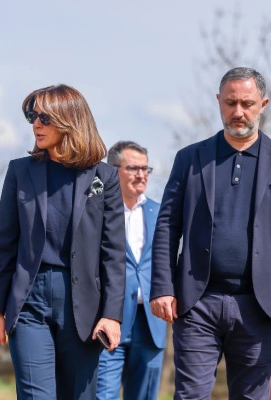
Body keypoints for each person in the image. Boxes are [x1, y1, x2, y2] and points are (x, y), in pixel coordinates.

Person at [150, 67, 271, 399]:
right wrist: (162, 287)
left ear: (263, 104)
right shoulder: (190, 159)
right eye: (230, 103)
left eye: (247, 103)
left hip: (259, 304)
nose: (238, 112)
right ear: (219, 101)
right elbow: (168, 225)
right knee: (190, 395)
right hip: (197, 302)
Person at [0, 84, 127, 400]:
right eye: (32, 116)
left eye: (44, 118)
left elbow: (114, 253)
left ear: (69, 120)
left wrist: (112, 314)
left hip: (84, 306)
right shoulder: (20, 171)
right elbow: (5, 244)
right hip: (29, 299)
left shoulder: (104, 177)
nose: (35, 124)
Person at [97, 141, 166, 400]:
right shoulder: (97, 210)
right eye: (133, 168)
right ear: (113, 170)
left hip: (150, 321)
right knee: (104, 395)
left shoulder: (160, 212)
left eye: (145, 168)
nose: (141, 175)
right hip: (109, 319)